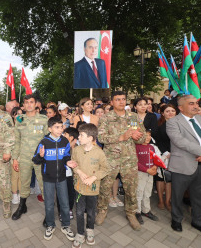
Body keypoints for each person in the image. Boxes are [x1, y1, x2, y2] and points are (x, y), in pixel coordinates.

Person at [166, 95, 201, 237]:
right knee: (177, 195)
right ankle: (176, 219)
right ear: (180, 107)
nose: (196, 106)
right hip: (182, 165)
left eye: (196, 103)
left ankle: (198, 221)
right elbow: (179, 141)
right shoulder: (173, 122)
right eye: (191, 103)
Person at [96, 91, 145, 231]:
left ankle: (131, 213)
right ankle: (102, 210)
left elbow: (142, 137)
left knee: (131, 188)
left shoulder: (134, 117)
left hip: (129, 159)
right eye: (117, 99)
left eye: (123, 99)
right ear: (112, 102)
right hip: (110, 159)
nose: (121, 102)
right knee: (105, 187)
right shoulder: (106, 118)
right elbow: (101, 138)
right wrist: (121, 136)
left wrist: (138, 136)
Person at [32, 117, 74, 241]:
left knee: (65, 203)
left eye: (61, 127)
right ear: (50, 128)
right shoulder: (44, 142)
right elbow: (35, 160)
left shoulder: (65, 141)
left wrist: (68, 162)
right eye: (57, 127)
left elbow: (66, 156)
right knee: (49, 204)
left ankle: (66, 226)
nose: (60, 129)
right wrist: (40, 155)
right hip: (48, 178)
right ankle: (50, 225)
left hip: (61, 177)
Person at [67, 124, 108, 248]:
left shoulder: (99, 153)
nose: (78, 137)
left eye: (81, 135)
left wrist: (93, 178)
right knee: (79, 212)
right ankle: (80, 233)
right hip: (79, 188)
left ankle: (90, 230)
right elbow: (74, 164)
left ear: (90, 138)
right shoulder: (77, 150)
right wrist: (78, 171)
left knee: (91, 212)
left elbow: (105, 169)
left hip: (92, 190)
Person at [11, 94, 49, 220]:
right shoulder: (20, 119)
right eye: (26, 102)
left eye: (31, 102)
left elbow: (48, 140)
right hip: (25, 157)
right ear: (23, 104)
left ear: (36, 104)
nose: (29, 105)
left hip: (41, 157)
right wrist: (15, 158)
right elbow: (17, 140)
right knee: (24, 182)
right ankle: (22, 206)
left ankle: (48, 212)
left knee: (44, 183)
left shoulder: (44, 119)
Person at [155, 104, 177, 211]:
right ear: (163, 113)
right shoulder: (159, 126)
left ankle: (168, 201)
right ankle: (160, 200)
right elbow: (157, 141)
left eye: (173, 110)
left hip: (177, 155)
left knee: (170, 179)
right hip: (164, 155)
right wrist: (166, 152)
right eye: (167, 111)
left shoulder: (180, 125)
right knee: (161, 178)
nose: (170, 113)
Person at [135, 130, 159, 224]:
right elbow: (135, 162)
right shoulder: (137, 147)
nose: (148, 137)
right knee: (139, 192)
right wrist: (146, 170)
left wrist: (155, 167)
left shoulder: (151, 147)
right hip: (141, 173)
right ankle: (137, 211)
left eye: (150, 135)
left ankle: (146, 210)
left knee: (147, 192)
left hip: (150, 173)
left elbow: (155, 159)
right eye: (146, 135)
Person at [9, 106, 23, 204]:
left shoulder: (25, 126)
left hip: (23, 154)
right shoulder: (9, 127)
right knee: (14, 176)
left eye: (21, 113)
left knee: (22, 176)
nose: (19, 115)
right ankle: (14, 194)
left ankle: (20, 194)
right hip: (14, 155)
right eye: (17, 113)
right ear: (13, 115)